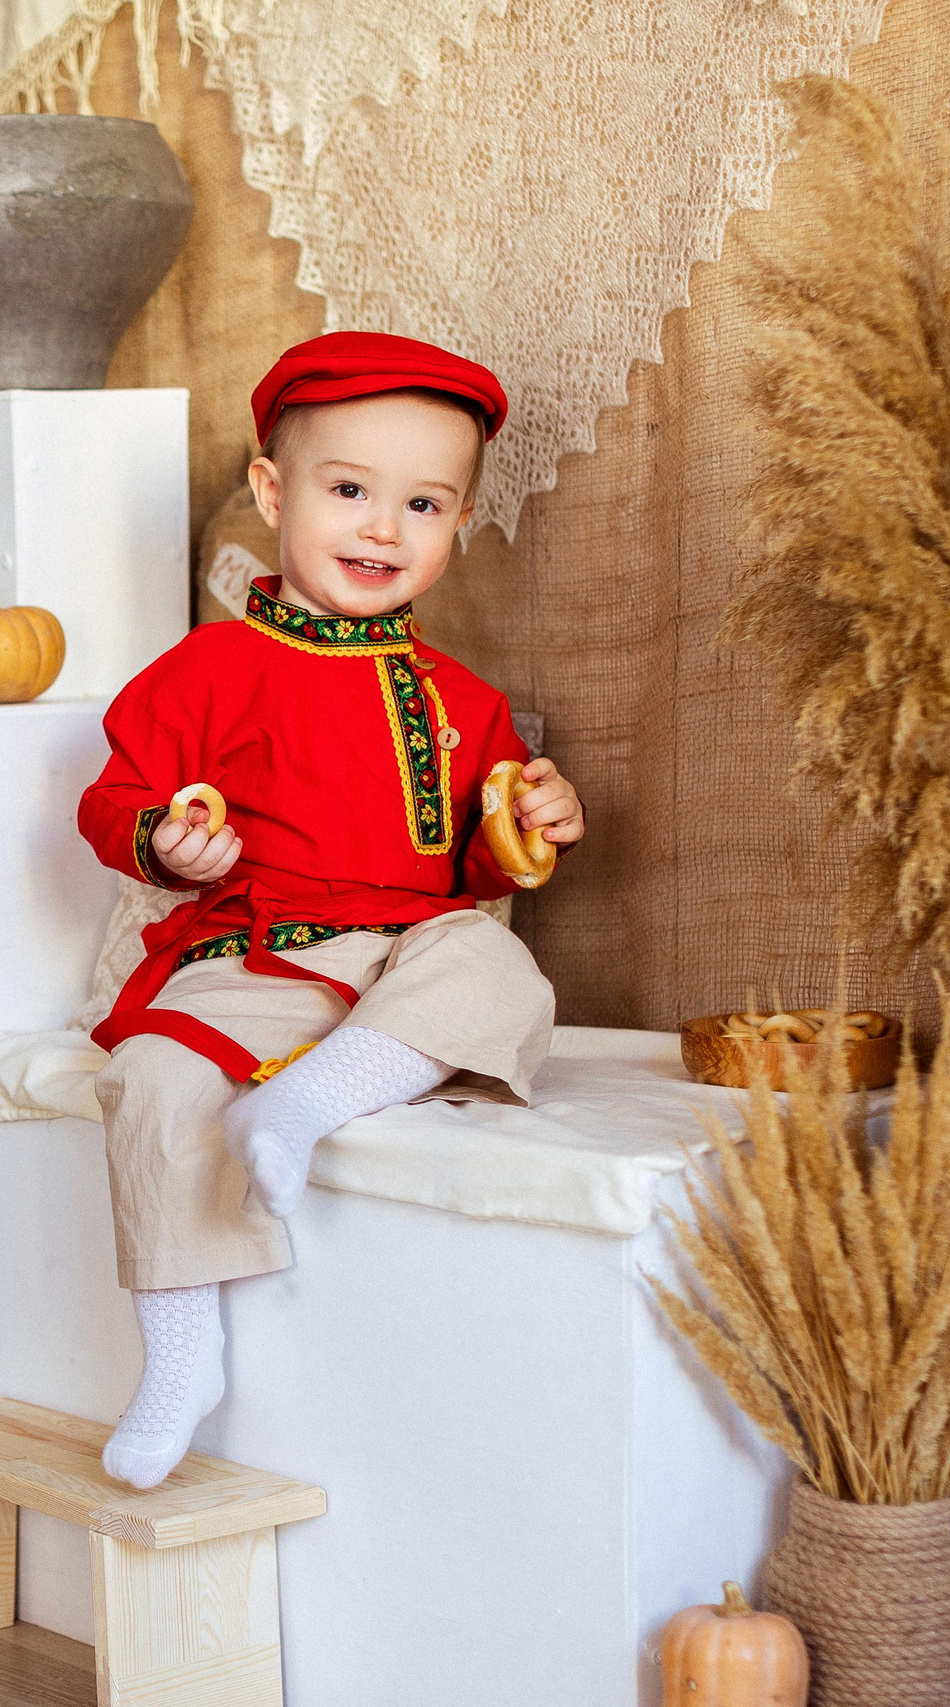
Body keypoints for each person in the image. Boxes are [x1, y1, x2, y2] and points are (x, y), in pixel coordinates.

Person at [75, 331, 586, 1488]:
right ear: (272, 492)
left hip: (407, 957)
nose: (381, 528)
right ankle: (178, 1350)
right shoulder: (208, 669)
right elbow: (114, 801)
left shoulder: (462, 700)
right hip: (261, 954)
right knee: (151, 1083)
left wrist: (540, 820)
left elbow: (485, 863)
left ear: (455, 528)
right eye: (348, 490)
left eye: (421, 503)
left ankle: (305, 1104)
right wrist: (167, 843)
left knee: (503, 973)